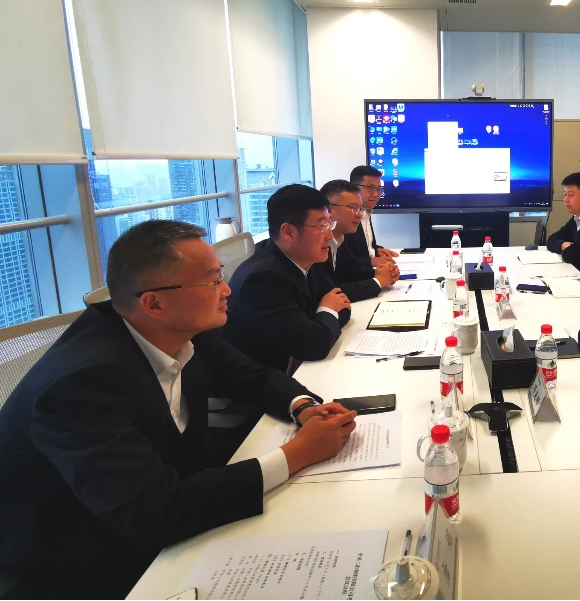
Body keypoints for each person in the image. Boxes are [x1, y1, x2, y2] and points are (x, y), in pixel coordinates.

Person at [0, 220, 357, 599]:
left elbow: (253, 378)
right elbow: (156, 512)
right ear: (154, 303)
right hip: (80, 564)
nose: (227, 290)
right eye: (212, 282)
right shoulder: (80, 386)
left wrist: (303, 407)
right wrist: (297, 453)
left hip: (160, 520)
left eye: (221, 276)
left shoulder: (183, 331)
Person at [224, 184, 352, 373]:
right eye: (321, 226)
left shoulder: (307, 258)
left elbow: (343, 306)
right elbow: (315, 345)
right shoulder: (261, 280)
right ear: (288, 232)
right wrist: (327, 310)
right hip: (266, 382)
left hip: (303, 369)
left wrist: (322, 321)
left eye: (329, 224)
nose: (330, 236)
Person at [318, 179, 399, 301]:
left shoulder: (340, 239)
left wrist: (383, 273)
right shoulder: (316, 244)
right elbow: (329, 292)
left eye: (360, 209)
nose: (360, 214)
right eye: (353, 208)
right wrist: (378, 282)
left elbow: (353, 271)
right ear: (329, 210)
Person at [348, 165, 399, 268]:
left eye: (379, 189)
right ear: (354, 188)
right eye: (370, 188)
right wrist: (371, 261)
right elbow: (343, 262)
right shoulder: (347, 216)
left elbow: (361, 249)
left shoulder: (367, 212)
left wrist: (376, 250)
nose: (376, 194)